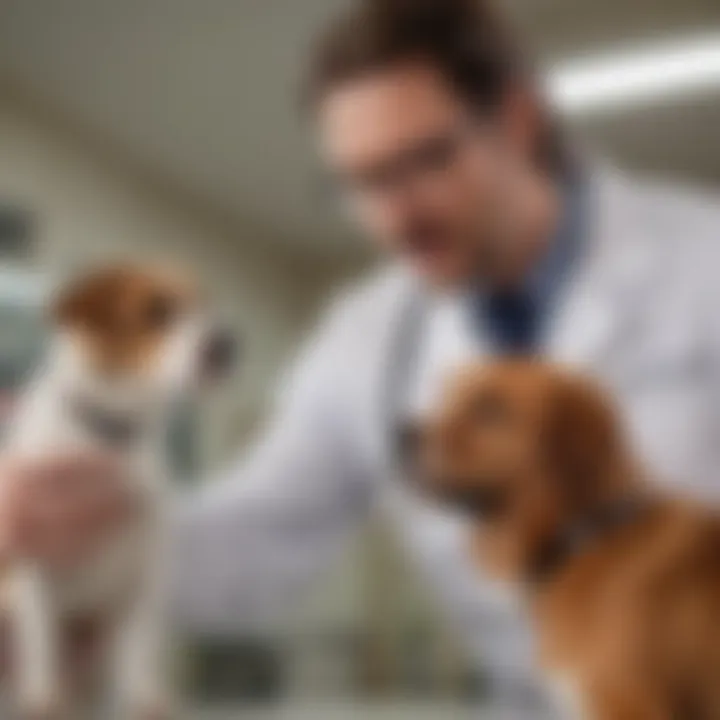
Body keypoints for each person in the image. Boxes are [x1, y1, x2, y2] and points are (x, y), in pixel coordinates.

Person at [1, 0, 719, 715]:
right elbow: (255, 540)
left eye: (424, 161)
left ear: (519, 119)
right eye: (361, 182)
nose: (393, 216)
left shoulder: (701, 258)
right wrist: (92, 520)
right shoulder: (365, 336)